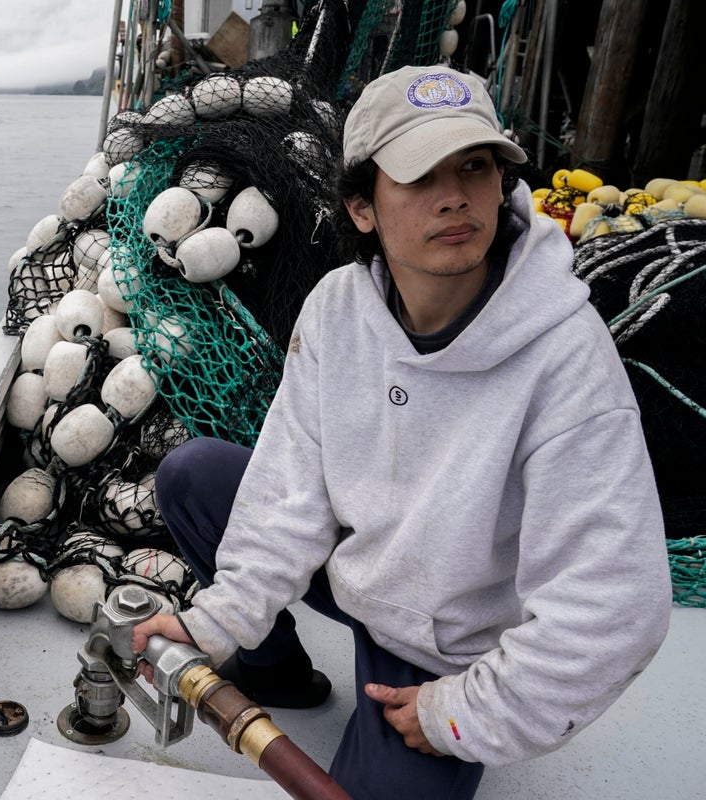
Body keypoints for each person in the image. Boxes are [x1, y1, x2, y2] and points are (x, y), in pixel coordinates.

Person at [130, 65, 672, 799]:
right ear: (361, 207)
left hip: (444, 644)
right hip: (356, 569)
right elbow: (290, 487)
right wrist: (216, 624)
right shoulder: (337, 309)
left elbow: (615, 606)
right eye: (420, 176)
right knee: (194, 476)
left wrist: (464, 712)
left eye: (476, 166)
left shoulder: (566, 356)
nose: (456, 197)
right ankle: (275, 670)